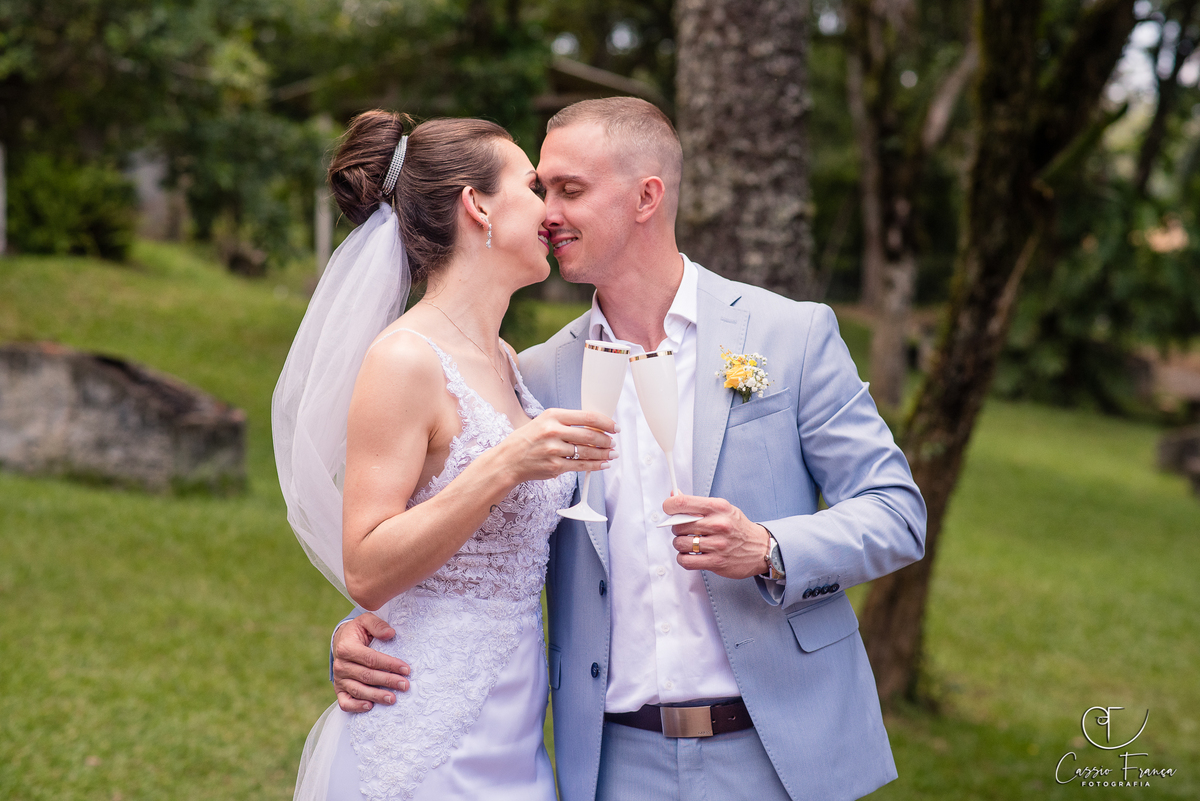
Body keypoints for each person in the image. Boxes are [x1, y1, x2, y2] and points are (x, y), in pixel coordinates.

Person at [331, 98, 928, 801]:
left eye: (569, 190)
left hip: (779, 751)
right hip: (612, 763)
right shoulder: (536, 377)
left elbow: (898, 512)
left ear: (647, 196)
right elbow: (467, 520)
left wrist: (769, 545)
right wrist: (371, 627)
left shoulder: (788, 336)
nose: (549, 211)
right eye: (540, 188)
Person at [273, 110, 617, 801]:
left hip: (517, 733)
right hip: (424, 734)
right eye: (532, 186)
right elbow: (367, 566)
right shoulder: (405, 359)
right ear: (477, 206)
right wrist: (503, 464)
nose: (550, 210)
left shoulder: (507, 363)